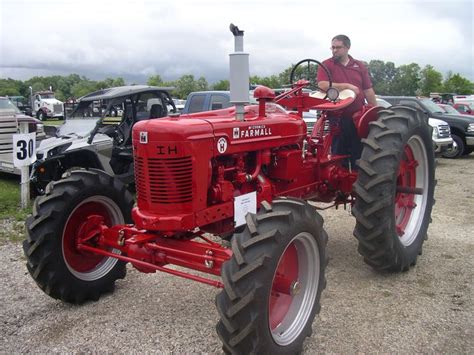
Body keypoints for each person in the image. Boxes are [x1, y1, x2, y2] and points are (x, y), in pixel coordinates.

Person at [317, 34, 377, 169]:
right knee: (339, 153)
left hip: (358, 117)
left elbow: (368, 90)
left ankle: (357, 184)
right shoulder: (326, 64)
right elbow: (322, 84)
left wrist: (375, 112)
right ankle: (339, 185)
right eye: (332, 47)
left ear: (348, 47)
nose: (334, 50)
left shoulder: (359, 66)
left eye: (338, 47)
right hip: (337, 117)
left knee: (359, 152)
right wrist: (347, 86)